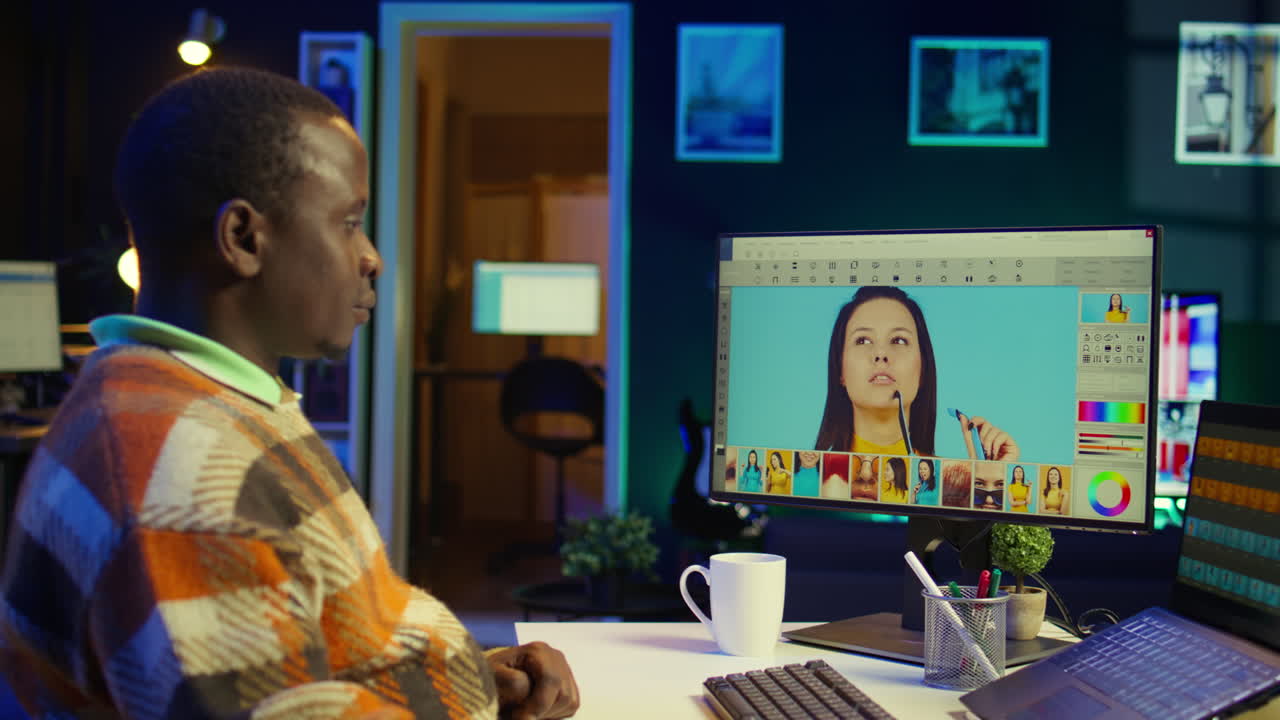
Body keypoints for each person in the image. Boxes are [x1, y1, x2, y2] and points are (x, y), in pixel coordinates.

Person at [0, 67, 579, 720]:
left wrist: (474, 672)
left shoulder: (214, 401)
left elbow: (331, 638)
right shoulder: (176, 470)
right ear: (244, 238)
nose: (372, 257)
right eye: (349, 222)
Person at [814, 286, 1018, 461]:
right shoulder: (805, 481)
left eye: (899, 340)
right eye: (863, 340)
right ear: (840, 369)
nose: (881, 354)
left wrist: (989, 481)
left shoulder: (950, 486)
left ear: (923, 370)